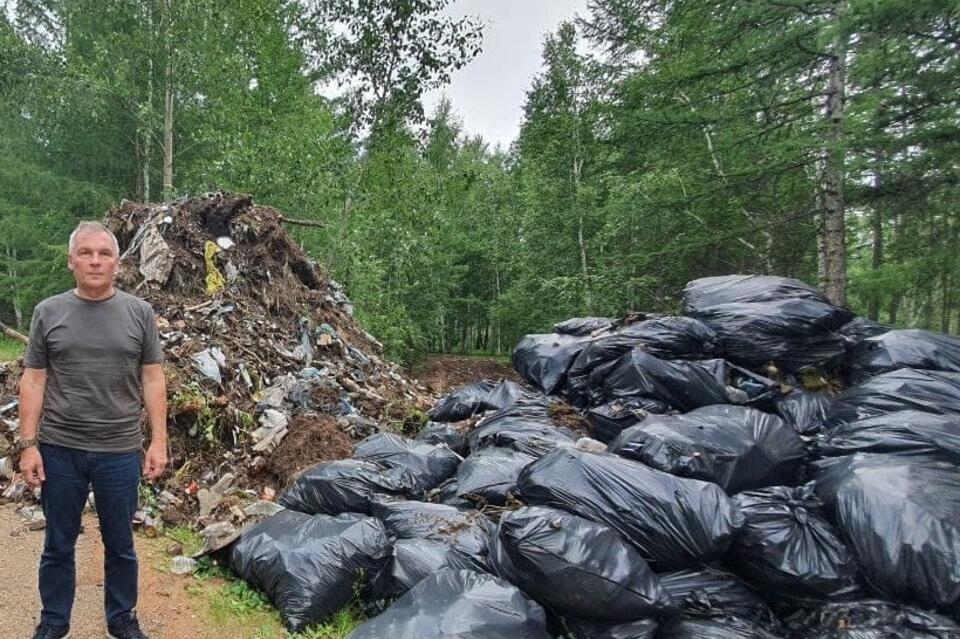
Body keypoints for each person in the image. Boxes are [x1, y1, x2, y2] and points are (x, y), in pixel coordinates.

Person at [18, 221, 168, 639]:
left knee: (121, 545)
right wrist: (28, 445)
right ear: (71, 261)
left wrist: (158, 440)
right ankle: (53, 621)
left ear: (117, 263)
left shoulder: (139, 313)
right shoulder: (48, 312)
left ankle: (122, 619)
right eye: (86, 253)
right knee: (58, 545)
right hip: (59, 449)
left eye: (104, 254)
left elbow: (153, 377)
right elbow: (34, 379)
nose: (95, 261)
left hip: (119, 451)